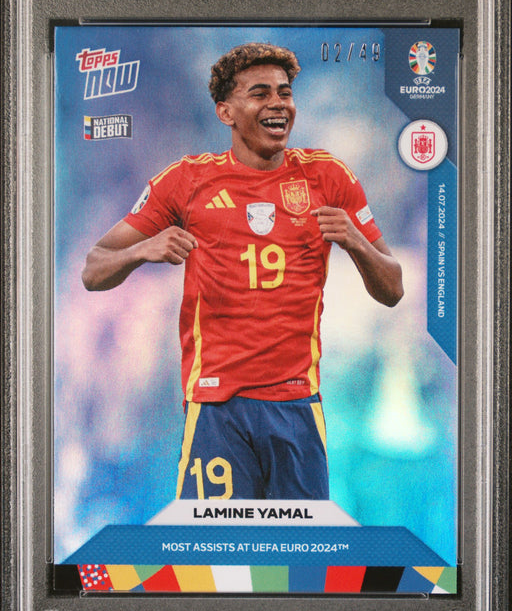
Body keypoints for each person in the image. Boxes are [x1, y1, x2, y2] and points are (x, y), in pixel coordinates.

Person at [82, 42, 403, 502]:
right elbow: (94, 269)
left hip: (297, 406)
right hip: (217, 407)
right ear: (226, 112)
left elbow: (392, 288)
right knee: (215, 547)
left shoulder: (328, 177)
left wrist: (355, 240)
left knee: (300, 547)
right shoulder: (186, 181)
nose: (278, 103)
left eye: (285, 93)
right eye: (260, 93)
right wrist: (143, 249)